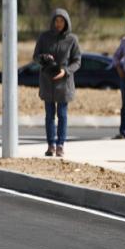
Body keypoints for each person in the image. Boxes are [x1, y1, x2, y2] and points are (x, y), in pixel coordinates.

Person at [33, 8, 82, 157]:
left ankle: (60, 145)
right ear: (53, 21)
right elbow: (35, 56)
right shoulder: (44, 37)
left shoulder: (72, 39)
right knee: (49, 116)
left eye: (62, 21)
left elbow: (77, 61)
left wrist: (65, 71)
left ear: (66, 22)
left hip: (64, 83)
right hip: (47, 81)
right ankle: (50, 145)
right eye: (57, 20)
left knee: (62, 115)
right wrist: (43, 58)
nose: (59, 24)